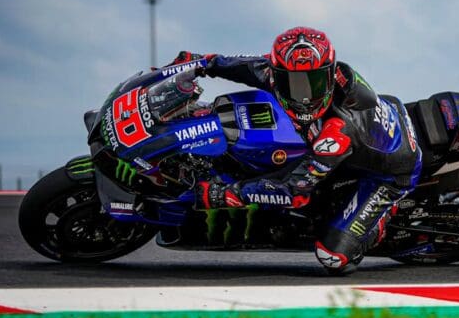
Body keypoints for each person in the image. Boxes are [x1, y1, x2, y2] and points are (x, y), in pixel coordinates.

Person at [172, 27, 422, 274]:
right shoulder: (275, 70)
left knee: (333, 256)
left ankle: (380, 223)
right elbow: (233, 64)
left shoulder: (337, 131)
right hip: (374, 130)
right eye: (291, 82)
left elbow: (294, 191)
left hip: (391, 172)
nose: (303, 95)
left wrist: (226, 194)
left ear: (329, 75)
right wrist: (199, 63)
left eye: (312, 82)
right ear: (276, 72)